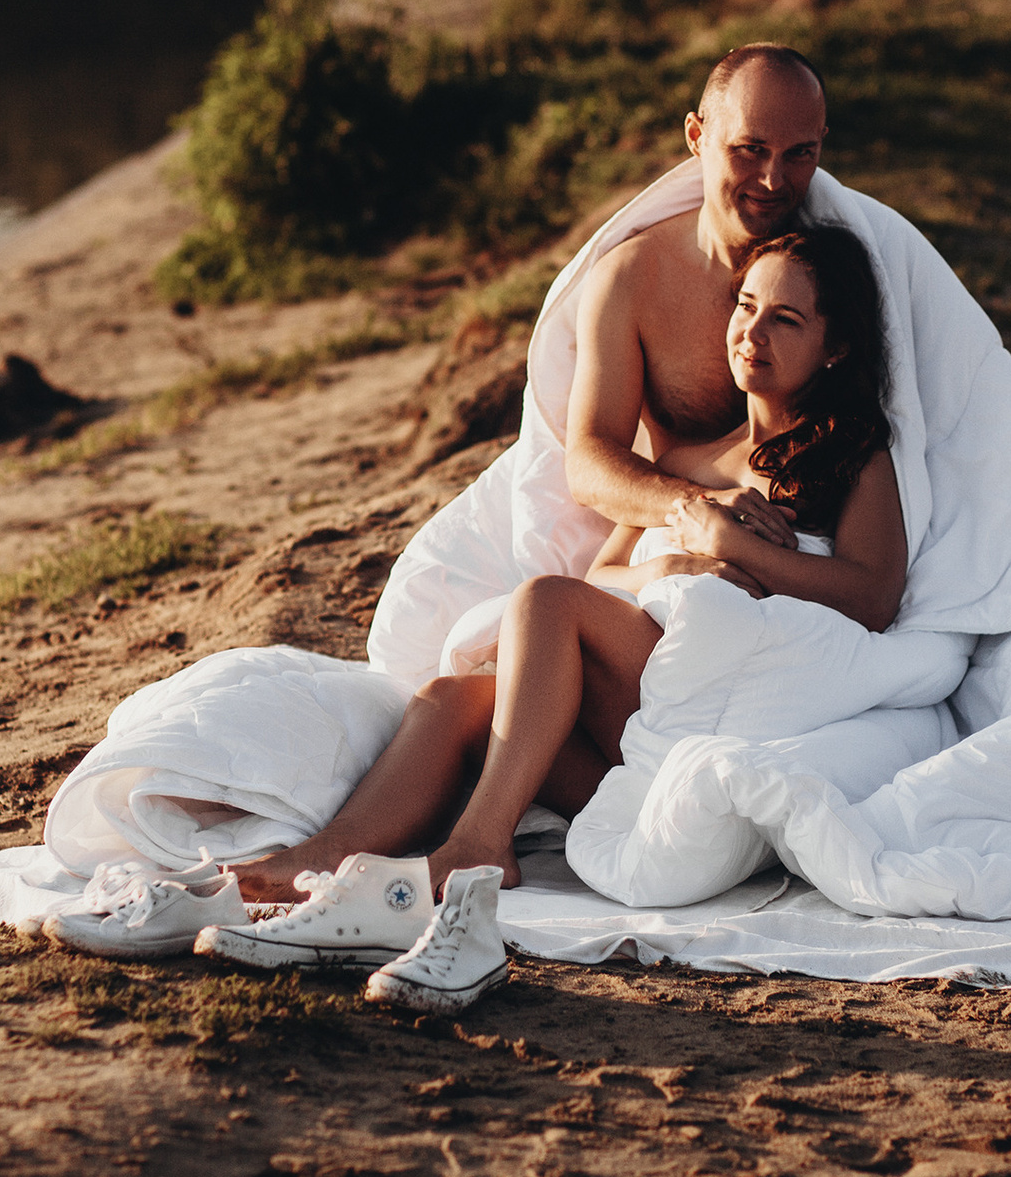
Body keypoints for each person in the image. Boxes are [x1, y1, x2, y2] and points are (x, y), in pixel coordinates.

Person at [225, 225, 902, 907]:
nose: (752, 331)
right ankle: (325, 856)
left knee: (544, 600)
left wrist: (736, 549)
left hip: (723, 714)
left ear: (836, 346)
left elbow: (875, 596)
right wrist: (677, 562)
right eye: (746, 305)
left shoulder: (850, 458)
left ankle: (480, 843)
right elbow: (605, 580)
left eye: (785, 319)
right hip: (635, 733)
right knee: (452, 701)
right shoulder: (684, 466)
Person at [565, 42, 830, 560]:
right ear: (696, 136)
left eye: (799, 153)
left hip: (821, 553)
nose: (774, 180)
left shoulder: (842, 274)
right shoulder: (631, 280)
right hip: (686, 549)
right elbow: (589, 462)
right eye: (749, 149)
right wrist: (706, 507)